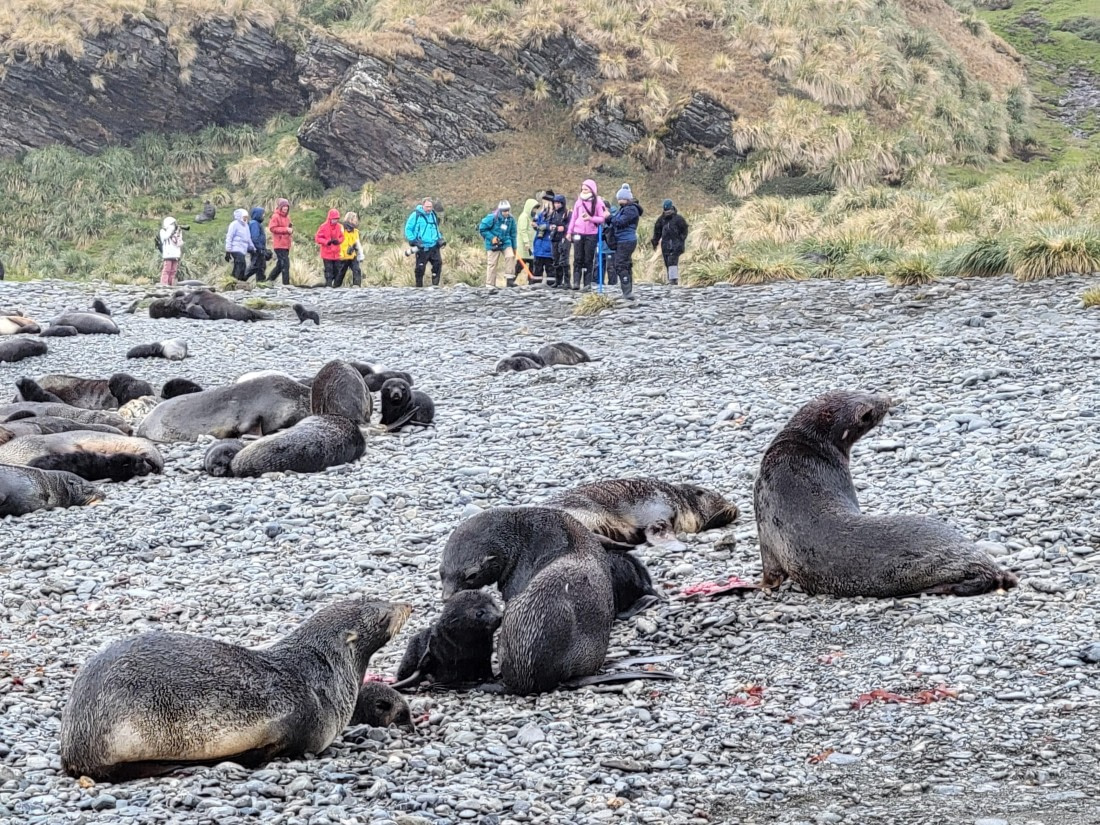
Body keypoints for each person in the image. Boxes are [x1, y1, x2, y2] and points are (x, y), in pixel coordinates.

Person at [564, 179, 608, 291]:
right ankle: (576, 282)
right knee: (577, 257)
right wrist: (569, 232)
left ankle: (587, 283)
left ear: (592, 190)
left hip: (591, 234)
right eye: (582, 189)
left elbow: (602, 218)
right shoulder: (578, 202)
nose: (583, 191)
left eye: (586, 189)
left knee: (589, 258)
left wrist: (590, 218)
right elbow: (574, 218)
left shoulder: (598, 202)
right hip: (578, 232)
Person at [610, 183, 643, 300]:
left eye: (621, 198)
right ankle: (627, 290)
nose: (619, 201)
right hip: (624, 240)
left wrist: (609, 217)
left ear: (627, 199)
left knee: (620, 264)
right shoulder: (625, 209)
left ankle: (627, 291)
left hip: (626, 240)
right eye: (619, 198)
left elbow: (620, 222)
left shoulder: (631, 210)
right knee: (626, 264)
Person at [404, 198, 444, 287]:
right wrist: (413, 240)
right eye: (427, 207)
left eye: (430, 207)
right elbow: (408, 229)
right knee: (420, 269)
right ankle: (419, 288)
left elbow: (435, 228)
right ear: (423, 205)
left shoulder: (433, 214)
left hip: (434, 246)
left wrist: (440, 239)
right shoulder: (416, 215)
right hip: (422, 247)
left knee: (438, 265)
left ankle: (435, 287)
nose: (429, 209)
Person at [478, 200, 517, 288]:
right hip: (492, 244)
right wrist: (492, 238)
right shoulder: (491, 218)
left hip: (506, 242)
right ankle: (490, 285)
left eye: (508, 210)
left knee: (510, 256)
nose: (506, 212)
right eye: (504, 211)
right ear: (500, 210)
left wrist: (514, 247)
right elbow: (482, 229)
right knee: (492, 264)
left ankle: (510, 280)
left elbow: (513, 234)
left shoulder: (511, 219)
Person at [651, 199, 689, 285]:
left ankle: (673, 280)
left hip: (677, 244)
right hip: (665, 245)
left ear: (672, 208)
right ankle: (671, 279)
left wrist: (681, 239)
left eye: (669, 211)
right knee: (667, 262)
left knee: (672, 261)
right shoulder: (661, 220)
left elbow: (684, 229)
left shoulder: (678, 219)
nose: (667, 212)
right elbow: (657, 232)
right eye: (666, 211)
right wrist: (655, 242)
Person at [314, 209, 345, 288]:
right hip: (327, 254)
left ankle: (334, 286)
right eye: (334, 219)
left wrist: (338, 241)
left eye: (337, 219)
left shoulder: (339, 227)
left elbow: (342, 237)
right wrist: (326, 242)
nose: (335, 220)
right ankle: (329, 285)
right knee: (329, 271)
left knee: (337, 271)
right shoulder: (323, 226)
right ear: (330, 218)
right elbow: (317, 238)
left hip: (336, 254)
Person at [514, 195, 541, 285]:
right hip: (524, 246)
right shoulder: (524, 217)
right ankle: (511, 280)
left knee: (532, 265)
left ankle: (531, 282)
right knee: (520, 264)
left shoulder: (532, 218)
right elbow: (523, 231)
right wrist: (526, 243)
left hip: (531, 246)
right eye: (534, 208)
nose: (535, 211)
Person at [530, 194, 555, 286]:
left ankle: (551, 285)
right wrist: (535, 225)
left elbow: (555, 226)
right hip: (539, 246)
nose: (544, 204)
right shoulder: (541, 214)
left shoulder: (555, 215)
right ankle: (536, 285)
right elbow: (537, 224)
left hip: (549, 247)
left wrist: (546, 227)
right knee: (537, 269)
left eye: (546, 202)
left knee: (550, 269)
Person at [267, 198, 293, 285]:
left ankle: (269, 280)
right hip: (279, 244)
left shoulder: (287, 217)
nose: (285, 208)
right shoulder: (275, 216)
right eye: (284, 206)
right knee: (285, 264)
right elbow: (272, 228)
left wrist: (290, 230)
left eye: (287, 206)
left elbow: (288, 228)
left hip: (286, 244)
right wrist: (286, 229)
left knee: (280, 265)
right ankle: (286, 284)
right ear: (280, 207)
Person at [547, 194, 571, 288]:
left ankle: (567, 282)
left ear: (562, 203)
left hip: (564, 238)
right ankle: (558, 281)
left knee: (564, 260)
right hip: (554, 238)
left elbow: (571, 224)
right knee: (555, 260)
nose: (556, 205)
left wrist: (564, 228)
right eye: (555, 203)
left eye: (558, 203)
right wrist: (550, 227)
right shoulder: (553, 214)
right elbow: (548, 223)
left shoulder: (568, 213)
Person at [224, 208, 253, 281]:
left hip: (243, 249)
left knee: (240, 265)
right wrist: (228, 250)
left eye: (246, 217)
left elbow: (248, 238)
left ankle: (233, 280)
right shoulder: (234, 224)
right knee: (241, 263)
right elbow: (229, 237)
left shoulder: (246, 226)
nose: (246, 219)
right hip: (235, 248)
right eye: (244, 217)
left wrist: (252, 247)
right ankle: (237, 281)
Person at [336, 211, 362, 287]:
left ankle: (356, 286)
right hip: (342, 256)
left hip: (352, 255)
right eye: (355, 219)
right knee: (340, 274)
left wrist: (359, 253)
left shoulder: (356, 231)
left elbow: (357, 243)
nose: (356, 220)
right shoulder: (341, 229)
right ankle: (334, 289)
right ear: (350, 219)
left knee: (357, 270)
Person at [158, 217, 185, 286]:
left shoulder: (176, 232)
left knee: (173, 271)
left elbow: (179, 242)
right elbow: (165, 237)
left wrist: (178, 232)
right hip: (168, 254)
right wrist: (170, 229)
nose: (174, 225)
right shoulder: (163, 231)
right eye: (172, 224)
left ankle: (171, 284)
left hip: (175, 254)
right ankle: (164, 284)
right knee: (167, 270)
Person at [246, 206, 267, 282]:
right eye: (262, 214)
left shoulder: (255, 223)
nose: (264, 215)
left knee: (261, 267)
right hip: (257, 249)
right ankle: (239, 278)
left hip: (258, 249)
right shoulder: (254, 224)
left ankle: (261, 283)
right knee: (255, 267)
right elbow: (254, 238)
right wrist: (260, 248)